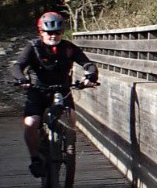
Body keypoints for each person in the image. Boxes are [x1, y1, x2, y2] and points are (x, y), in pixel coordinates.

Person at [14, 11, 98, 176]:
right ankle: (35, 158)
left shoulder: (68, 48)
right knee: (31, 123)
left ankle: (66, 147)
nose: (53, 35)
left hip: (62, 90)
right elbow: (17, 66)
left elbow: (87, 63)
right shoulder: (33, 47)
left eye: (57, 32)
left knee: (71, 117)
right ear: (41, 32)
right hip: (38, 91)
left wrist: (91, 75)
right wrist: (21, 79)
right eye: (49, 32)